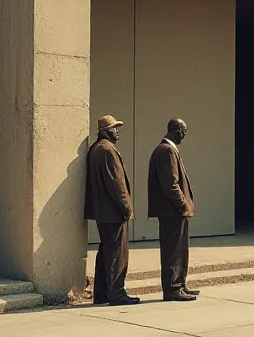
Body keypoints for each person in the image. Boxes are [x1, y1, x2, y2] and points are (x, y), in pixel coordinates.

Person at [85, 115, 139, 306]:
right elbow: (116, 184)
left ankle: (101, 294)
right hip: (113, 212)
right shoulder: (107, 150)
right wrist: (127, 208)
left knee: (106, 252)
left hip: (104, 212)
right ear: (106, 131)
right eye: (115, 128)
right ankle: (117, 293)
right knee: (117, 253)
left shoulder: (96, 148)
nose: (118, 132)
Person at [147, 118, 198, 302]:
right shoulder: (167, 150)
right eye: (183, 132)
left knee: (179, 249)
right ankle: (173, 288)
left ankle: (179, 284)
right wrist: (183, 204)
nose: (184, 136)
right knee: (173, 250)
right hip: (172, 211)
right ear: (176, 131)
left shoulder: (166, 149)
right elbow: (170, 184)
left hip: (173, 211)